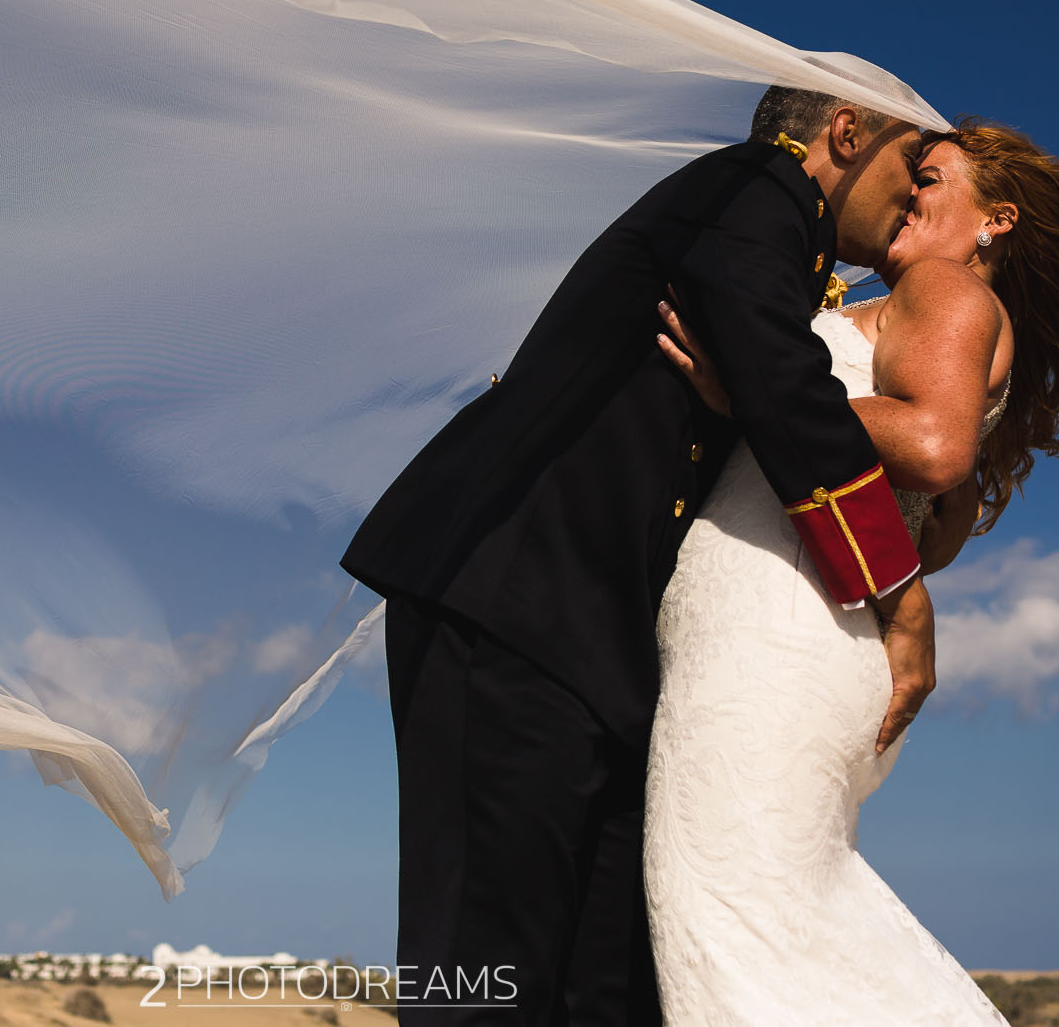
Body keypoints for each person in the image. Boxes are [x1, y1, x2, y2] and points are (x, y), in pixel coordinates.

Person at [340, 80, 939, 1024]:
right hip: (510, 603)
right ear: (846, 129)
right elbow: (782, 380)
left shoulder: (781, 235)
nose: (913, 193)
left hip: (607, 654)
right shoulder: (757, 187)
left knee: (611, 994)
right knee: (485, 974)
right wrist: (899, 596)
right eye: (912, 162)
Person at [646, 116, 1059, 1025]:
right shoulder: (940, 309)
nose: (908, 193)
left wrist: (755, 389)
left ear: (996, 220)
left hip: (778, 632)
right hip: (797, 627)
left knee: (733, 915)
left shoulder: (944, 287)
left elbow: (936, 446)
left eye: (931, 179)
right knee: (757, 917)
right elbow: (936, 536)